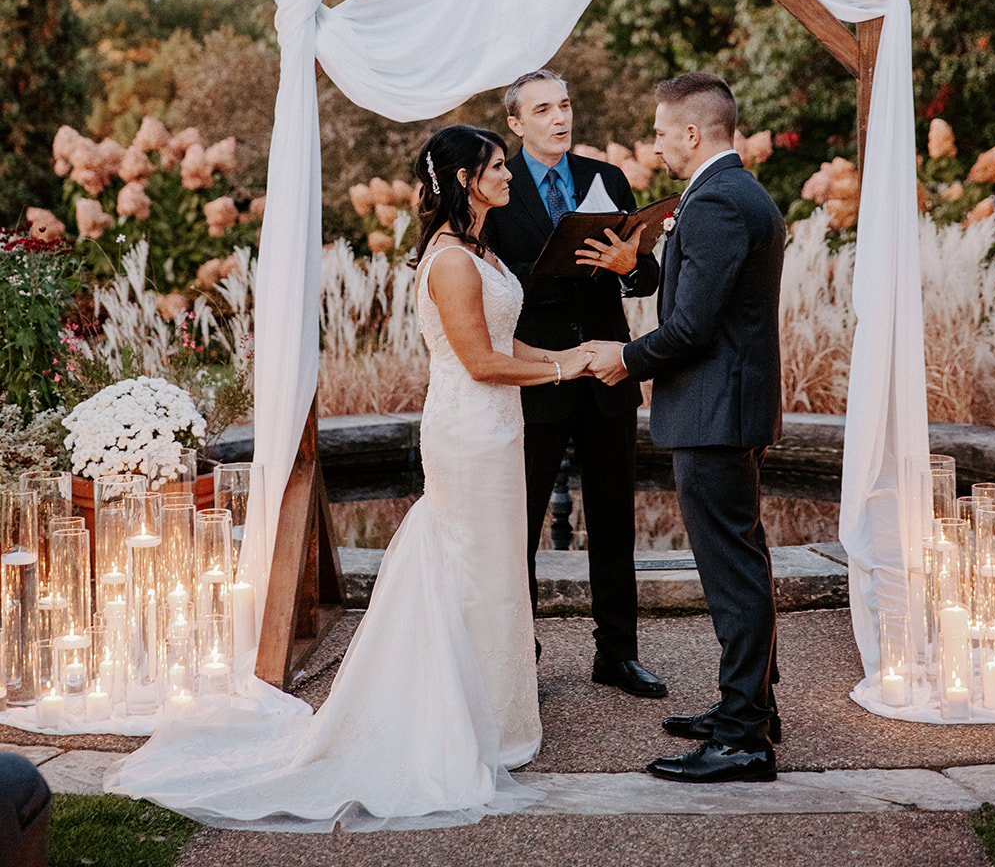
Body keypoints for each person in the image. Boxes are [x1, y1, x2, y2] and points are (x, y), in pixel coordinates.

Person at [111, 126, 592, 832]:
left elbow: (503, 344)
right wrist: (570, 365)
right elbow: (480, 364)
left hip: (498, 429)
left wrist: (566, 352)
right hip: (466, 430)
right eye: (497, 168)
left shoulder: (482, 251)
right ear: (465, 180)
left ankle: (493, 715)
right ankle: (451, 720)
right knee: (470, 569)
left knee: (493, 575)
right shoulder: (451, 262)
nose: (510, 177)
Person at [583, 73, 786, 783]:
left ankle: (741, 739)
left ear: (692, 133)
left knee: (732, 576)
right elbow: (701, 296)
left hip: (713, 412)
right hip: (724, 407)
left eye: (663, 131)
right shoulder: (734, 192)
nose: (656, 143)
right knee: (741, 562)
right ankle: (751, 707)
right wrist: (638, 265)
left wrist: (623, 360)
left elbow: (693, 328)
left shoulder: (714, 204)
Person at [483, 70, 666, 698]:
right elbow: (489, 289)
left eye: (564, 104)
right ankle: (520, 655)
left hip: (610, 369)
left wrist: (631, 266)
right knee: (523, 521)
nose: (560, 118)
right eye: (542, 109)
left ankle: (617, 654)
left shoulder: (607, 179)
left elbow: (645, 277)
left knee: (614, 517)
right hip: (537, 373)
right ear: (516, 124)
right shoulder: (497, 185)